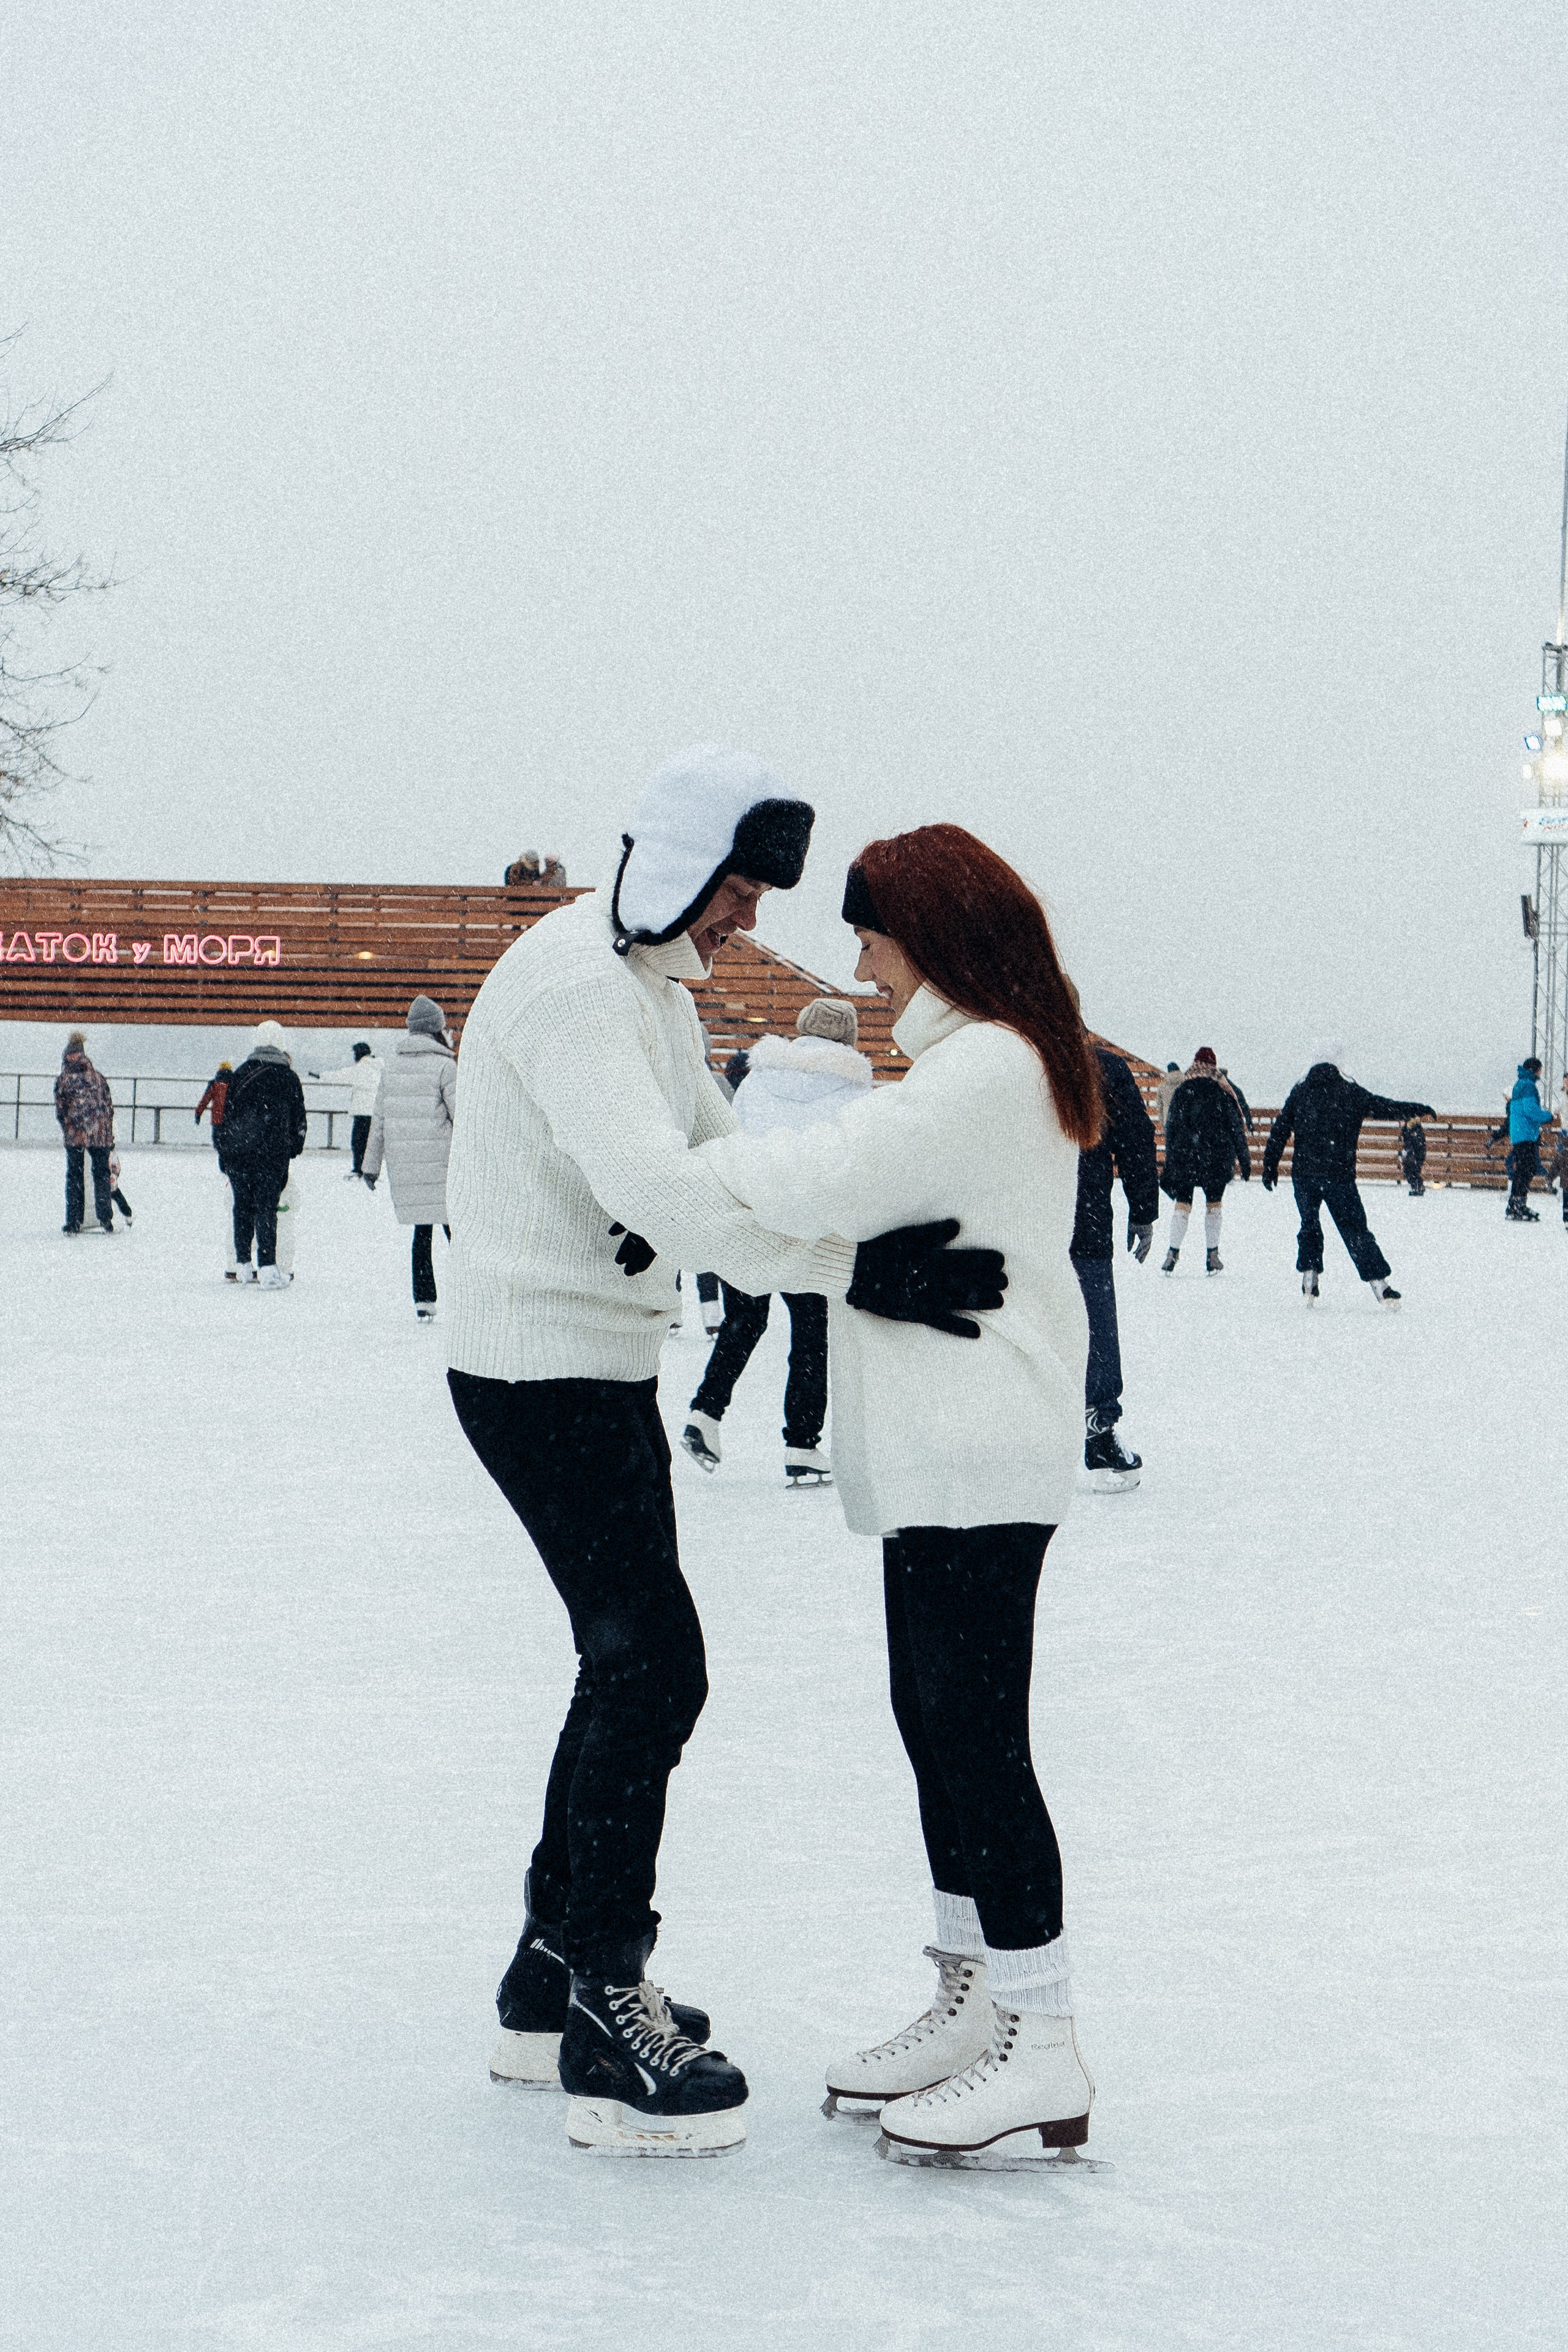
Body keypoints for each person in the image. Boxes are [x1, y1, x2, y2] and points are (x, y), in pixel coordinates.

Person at [444, 748, 1000, 2159]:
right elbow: (660, 1190)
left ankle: (543, 1976)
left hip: (593, 1354)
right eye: (731, 892)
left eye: (752, 899)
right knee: (648, 1661)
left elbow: (724, 1156)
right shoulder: (577, 987)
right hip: (540, 1360)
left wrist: (847, 1240)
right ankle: (597, 2005)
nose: (739, 923)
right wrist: (854, 1270)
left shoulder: (642, 987)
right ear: (671, 864)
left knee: (627, 1657)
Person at [696, 823, 1101, 2168]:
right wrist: (840, 1264)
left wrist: (662, 1173)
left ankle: (1039, 2038)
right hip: (940, 1449)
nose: (859, 963)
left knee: (975, 1737)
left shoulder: (985, 1067)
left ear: (931, 928)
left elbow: (826, 1176)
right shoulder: (970, 1063)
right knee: (935, 1725)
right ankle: (977, 1995)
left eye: (870, 930)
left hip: (979, 1446)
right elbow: (852, 1226)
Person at [681, 997, 873, 1484]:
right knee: (811, 1338)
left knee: (744, 1322)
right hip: (813, 1227)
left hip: (752, 1216)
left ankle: (705, 1413)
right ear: (848, 1038)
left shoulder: (758, 1078)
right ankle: (801, 1447)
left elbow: (734, 1138)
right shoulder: (854, 1091)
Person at [1261, 1041, 1433, 1305]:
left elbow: (1280, 1129)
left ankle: (1310, 1276)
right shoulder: (1350, 1091)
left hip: (1305, 1175)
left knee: (1309, 1225)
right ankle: (1380, 1284)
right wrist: (1415, 1108)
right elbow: (1384, 1106)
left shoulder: (1301, 1090)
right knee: (1355, 1230)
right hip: (1338, 1175)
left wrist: (1269, 1165)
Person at [1068, 1010, 1158, 1492]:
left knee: (1020, 1321)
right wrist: (1142, 1210)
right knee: (1095, 1324)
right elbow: (1138, 1144)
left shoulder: (1016, 1064)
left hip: (1027, 1221)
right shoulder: (1101, 1070)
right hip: (1084, 1222)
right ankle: (1098, 1429)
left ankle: (1016, 1431)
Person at [362, 997, 458, 1321]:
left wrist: (370, 1167)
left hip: (407, 1168)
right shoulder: (446, 1066)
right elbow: (462, 1118)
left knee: (422, 1233)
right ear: (437, 1030)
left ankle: (424, 1301)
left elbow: (379, 1121)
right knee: (457, 1233)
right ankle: (471, 1295)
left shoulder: (393, 1067)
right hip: (443, 1165)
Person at [221, 1020, 308, 1288]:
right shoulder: (288, 1077)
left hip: (239, 1153)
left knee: (242, 1206)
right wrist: (292, 1148)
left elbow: (225, 1117)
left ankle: (243, 1264)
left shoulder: (239, 1074)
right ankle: (268, 1266)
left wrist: (226, 1155)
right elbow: (299, 1120)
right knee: (267, 1208)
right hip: (272, 1155)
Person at [1159, 1049, 1250, 1273]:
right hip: (1216, 1158)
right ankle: (1212, 1255)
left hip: (1185, 1158)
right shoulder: (1224, 1091)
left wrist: (1171, 1159)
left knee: (1182, 1206)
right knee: (1214, 1206)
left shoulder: (1183, 1089)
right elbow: (1237, 1127)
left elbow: (1172, 1127)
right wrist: (1245, 1159)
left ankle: (1173, 1252)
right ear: (1214, 1065)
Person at [54, 1031, 116, 1235]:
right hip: (100, 1133)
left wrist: (69, 1129)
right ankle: (106, 1218)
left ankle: (74, 1221)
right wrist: (108, 1133)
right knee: (101, 1174)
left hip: (75, 1135)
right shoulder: (98, 1078)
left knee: (75, 1176)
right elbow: (108, 1106)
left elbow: (61, 1110)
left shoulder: (64, 1080)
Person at [309, 1042, 384, 1181]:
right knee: (371, 1144)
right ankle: (371, 1171)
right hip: (375, 1112)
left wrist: (320, 1076)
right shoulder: (378, 1068)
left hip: (362, 1112)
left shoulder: (361, 1068)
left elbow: (340, 1075)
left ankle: (359, 1169)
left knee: (358, 1142)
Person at [1503, 1057, 1554, 1222]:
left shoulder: (1520, 1084)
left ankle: (1514, 1205)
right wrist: (1549, 1116)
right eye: (1540, 1070)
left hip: (1519, 1133)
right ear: (1534, 1070)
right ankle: (1518, 1205)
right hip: (1525, 1134)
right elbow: (1531, 1111)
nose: (1541, 1073)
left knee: (1524, 1169)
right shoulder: (1528, 1086)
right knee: (1527, 1169)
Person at [194, 1060, 232, 1152]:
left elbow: (205, 1100)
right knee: (229, 1140)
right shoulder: (234, 1083)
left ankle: (220, 1151)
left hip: (217, 1117)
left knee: (218, 1141)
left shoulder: (214, 1084)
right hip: (230, 1116)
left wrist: (198, 1113)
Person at [1400, 1116, 1427, 1196]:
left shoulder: (1413, 1130)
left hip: (1415, 1153)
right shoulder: (1409, 1129)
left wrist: (1411, 1153)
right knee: (1411, 1171)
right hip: (1413, 1153)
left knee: (1413, 1171)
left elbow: (1415, 1143)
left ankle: (1417, 1187)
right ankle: (1418, 1187)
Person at [1155, 1062, 1182, 1126]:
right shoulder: (1186, 1083)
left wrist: (1163, 1123)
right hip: (1183, 1119)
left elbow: (1160, 1106)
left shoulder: (1162, 1087)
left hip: (1169, 1120)